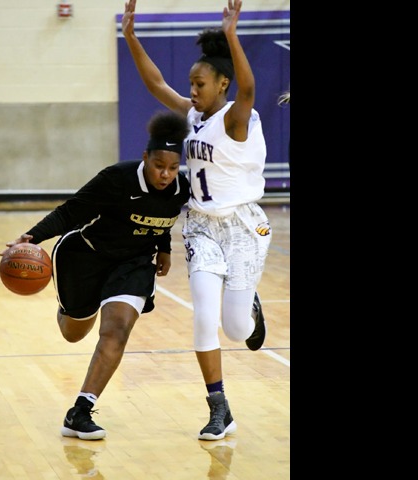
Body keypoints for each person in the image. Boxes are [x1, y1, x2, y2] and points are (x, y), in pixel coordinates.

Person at [122, 0, 272, 441]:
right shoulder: (193, 116)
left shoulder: (237, 118)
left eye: (200, 83)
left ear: (221, 84)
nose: (191, 89)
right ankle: (219, 408)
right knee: (204, 319)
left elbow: (249, 88)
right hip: (203, 227)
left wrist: (232, 35)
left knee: (237, 328)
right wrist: (131, 37)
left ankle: (251, 308)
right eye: (190, 82)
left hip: (243, 228)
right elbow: (155, 84)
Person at [1, 110, 191, 440]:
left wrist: (164, 248)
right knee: (73, 333)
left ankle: (80, 411)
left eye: (173, 168)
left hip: (132, 264)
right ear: (145, 157)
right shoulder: (116, 178)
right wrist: (30, 238)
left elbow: (162, 217)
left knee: (116, 329)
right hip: (85, 256)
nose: (165, 174)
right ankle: (69, 307)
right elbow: (69, 212)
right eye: (159, 166)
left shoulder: (179, 190)